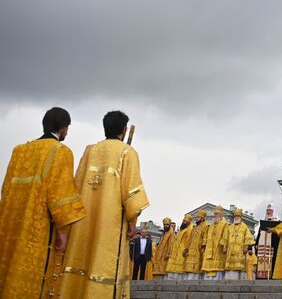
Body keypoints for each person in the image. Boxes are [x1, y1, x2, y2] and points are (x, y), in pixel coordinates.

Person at [60, 110, 149, 298]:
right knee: (105, 267)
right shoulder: (127, 152)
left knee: (81, 263)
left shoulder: (90, 150)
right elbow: (132, 195)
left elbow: (76, 186)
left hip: (83, 222)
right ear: (124, 130)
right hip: (111, 225)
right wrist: (132, 223)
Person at [0, 107, 86, 299]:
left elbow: (5, 190)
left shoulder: (19, 151)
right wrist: (63, 233)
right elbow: (60, 196)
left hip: (10, 227)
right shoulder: (61, 151)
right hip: (39, 231)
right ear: (64, 128)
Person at [224, 208, 255, 280]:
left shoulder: (244, 227)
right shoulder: (230, 227)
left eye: (238, 216)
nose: (236, 217)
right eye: (235, 216)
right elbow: (225, 237)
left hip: (240, 252)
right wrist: (225, 246)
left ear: (241, 217)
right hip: (230, 252)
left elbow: (249, 238)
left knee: (238, 268)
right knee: (229, 269)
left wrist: (246, 247)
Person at [202, 205, 227, 280]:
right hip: (209, 249)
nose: (215, 215)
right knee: (208, 267)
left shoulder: (224, 224)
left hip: (219, 249)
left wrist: (224, 246)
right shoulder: (211, 225)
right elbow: (207, 236)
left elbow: (225, 236)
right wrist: (204, 245)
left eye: (217, 214)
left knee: (217, 269)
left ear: (221, 215)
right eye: (214, 214)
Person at [166, 214, 194, 280]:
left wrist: (186, 249)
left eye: (185, 221)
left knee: (179, 269)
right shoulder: (181, 230)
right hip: (175, 250)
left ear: (189, 222)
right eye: (183, 220)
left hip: (182, 250)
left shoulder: (189, 230)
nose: (183, 222)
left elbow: (189, 240)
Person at [183, 210, 208, 280]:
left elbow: (205, 237)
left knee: (195, 269)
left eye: (198, 217)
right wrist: (186, 249)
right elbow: (189, 240)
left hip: (198, 250)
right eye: (196, 217)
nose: (196, 218)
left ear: (202, 219)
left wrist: (203, 247)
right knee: (188, 268)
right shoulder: (194, 228)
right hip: (190, 251)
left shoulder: (205, 226)